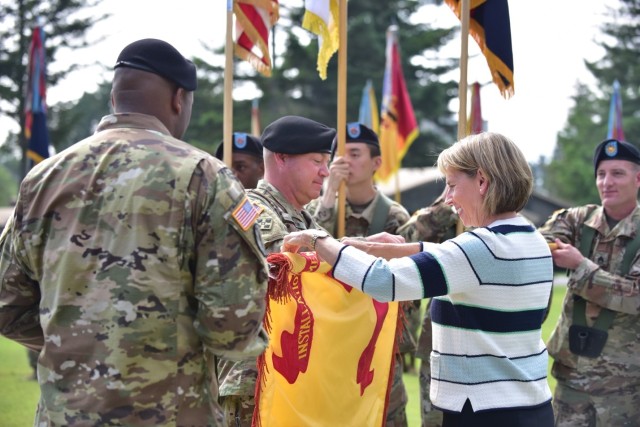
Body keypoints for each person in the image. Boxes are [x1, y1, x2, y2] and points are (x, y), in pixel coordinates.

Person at [0, 38, 268, 426]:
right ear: (179, 99)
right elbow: (231, 327)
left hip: (66, 414)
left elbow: (7, 307)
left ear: (115, 99)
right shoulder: (203, 176)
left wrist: (81, 343)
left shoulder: (44, 178)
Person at [283, 132, 555, 427]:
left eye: (452, 186)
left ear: (482, 181)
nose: (448, 200)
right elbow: (453, 259)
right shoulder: (530, 238)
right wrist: (374, 247)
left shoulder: (479, 248)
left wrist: (318, 240)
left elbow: (383, 282)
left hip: (485, 412)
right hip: (528, 405)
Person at [217, 115, 336, 426]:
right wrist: (358, 249)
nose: (325, 170)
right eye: (316, 160)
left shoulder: (303, 218)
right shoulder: (252, 209)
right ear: (282, 158)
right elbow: (283, 257)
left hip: (290, 374)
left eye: (327, 161)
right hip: (256, 381)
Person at [307, 121, 412, 427]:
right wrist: (328, 198)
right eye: (338, 155)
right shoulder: (320, 208)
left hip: (375, 340)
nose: (344, 162)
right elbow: (304, 250)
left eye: (354, 154)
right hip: (329, 338)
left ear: (376, 163)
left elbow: (401, 282)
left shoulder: (392, 216)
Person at [538, 138, 640, 427]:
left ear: (638, 178)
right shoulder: (577, 220)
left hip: (626, 386)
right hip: (572, 378)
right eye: (601, 174)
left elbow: (635, 297)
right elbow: (533, 245)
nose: (607, 182)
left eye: (617, 173)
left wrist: (580, 266)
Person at [397, 192, 458, 427]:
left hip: (487, 354)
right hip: (439, 346)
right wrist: (442, 210)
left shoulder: (506, 226)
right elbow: (402, 241)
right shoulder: (445, 217)